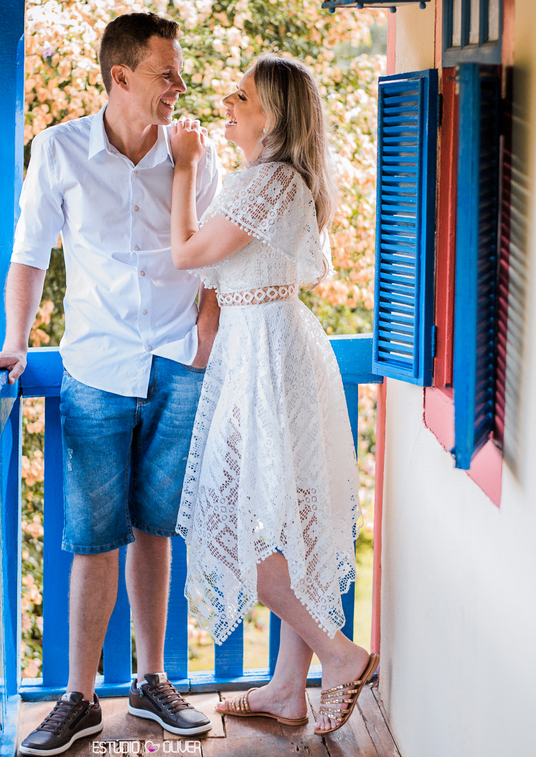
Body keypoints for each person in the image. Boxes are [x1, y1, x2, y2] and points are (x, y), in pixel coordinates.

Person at [0, 12, 221, 756]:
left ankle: (151, 678)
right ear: (121, 76)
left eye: (179, 72)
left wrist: (203, 343)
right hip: (97, 367)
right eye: (166, 73)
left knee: (155, 525)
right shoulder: (60, 149)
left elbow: (213, 256)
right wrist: (13, 343)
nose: (179, 85)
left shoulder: (192, 152)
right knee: (93, 534)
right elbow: (30, 252)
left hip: (178, 365)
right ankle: (79, 696)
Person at [167, 54, 379, 735]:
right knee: (283, 520)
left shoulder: (269, 181)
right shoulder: (271, 180)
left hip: (268, 357)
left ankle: (340, 656)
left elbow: (187, 254)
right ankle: (290, 687)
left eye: (243, 95)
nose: (228, 101)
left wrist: (182, 166)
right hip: (265, 349)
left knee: (244, 530)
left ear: (273, 116)